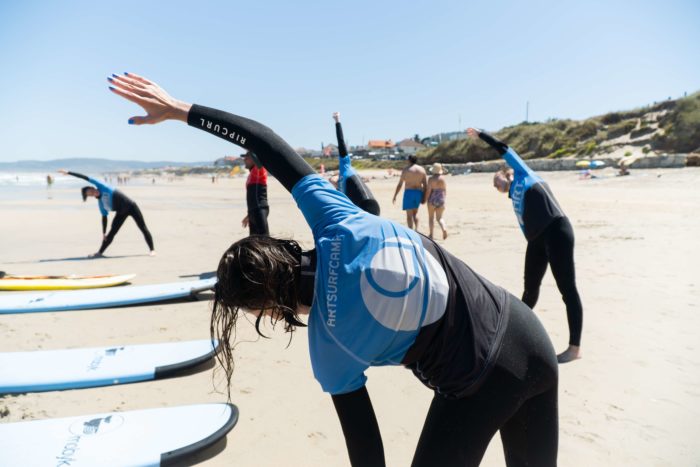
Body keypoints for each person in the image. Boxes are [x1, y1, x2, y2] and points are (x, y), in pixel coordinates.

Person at [109, 73, 558, 466]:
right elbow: (264, 140)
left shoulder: (330, 350)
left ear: (266, 309)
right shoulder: (335, 217)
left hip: (479, 381)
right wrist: (179, 109)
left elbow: (367, 452)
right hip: (527, 330)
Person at [467, 128, 583, 364]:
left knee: (567, 290)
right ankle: (514, 336)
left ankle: (574, 348)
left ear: (506, 172)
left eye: (495, 180)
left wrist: (482, 135)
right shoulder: (514, 198)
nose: (494, 186)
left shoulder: (523, 173)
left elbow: (503, 148)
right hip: (537, 240)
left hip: (557, 231)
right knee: (529, 289)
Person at [58, 169, 155, 257]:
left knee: (142, 227)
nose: (92, 192)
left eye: (91, 190)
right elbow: (104, 217)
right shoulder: (101, 204)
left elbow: (85, 177)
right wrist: (103, 233)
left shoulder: (101, 186)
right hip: (121, 212)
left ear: (93, 187)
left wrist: (69, 173)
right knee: (111, 233)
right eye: (90, 194)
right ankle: (100, 252)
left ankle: (152, 250)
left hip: (131, 206)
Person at [332, 112, 380, 215]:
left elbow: (341, 142)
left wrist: (337, 121)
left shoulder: (345, 166)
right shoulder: (340, 189)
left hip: (367, 204)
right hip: (364, 207)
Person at [392, 155, 428, 230]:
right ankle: (417, 230)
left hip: (409, 192)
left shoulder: (406, 170)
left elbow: (400, 184)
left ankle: (411, 231)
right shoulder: (422, 169)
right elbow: (425, 185)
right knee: (415, 214)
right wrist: (425, 196)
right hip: (418, 192)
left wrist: (395, 195)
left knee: (409, 215)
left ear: (409, 160)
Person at [241, 151, 270, 235]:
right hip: (253, 211)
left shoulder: (259, 170)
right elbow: (252, 197)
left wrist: (250, 145)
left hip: (259, 210)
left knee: (265, 240)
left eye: (247, 157)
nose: (244, 159)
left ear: (254, 159)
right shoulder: (252, 174)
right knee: (254, 243)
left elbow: (258, 160)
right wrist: (249, 215)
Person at [425, 162, 448, 240]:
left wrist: (425, 199)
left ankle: (431, 234)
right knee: (440, 218)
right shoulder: (443, 179)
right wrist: (444, 199)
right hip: (441, 199)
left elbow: (428, 191)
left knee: (431, 218)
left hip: (432, 199)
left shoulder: (431, 179)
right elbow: (445, 190)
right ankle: (444, 228)